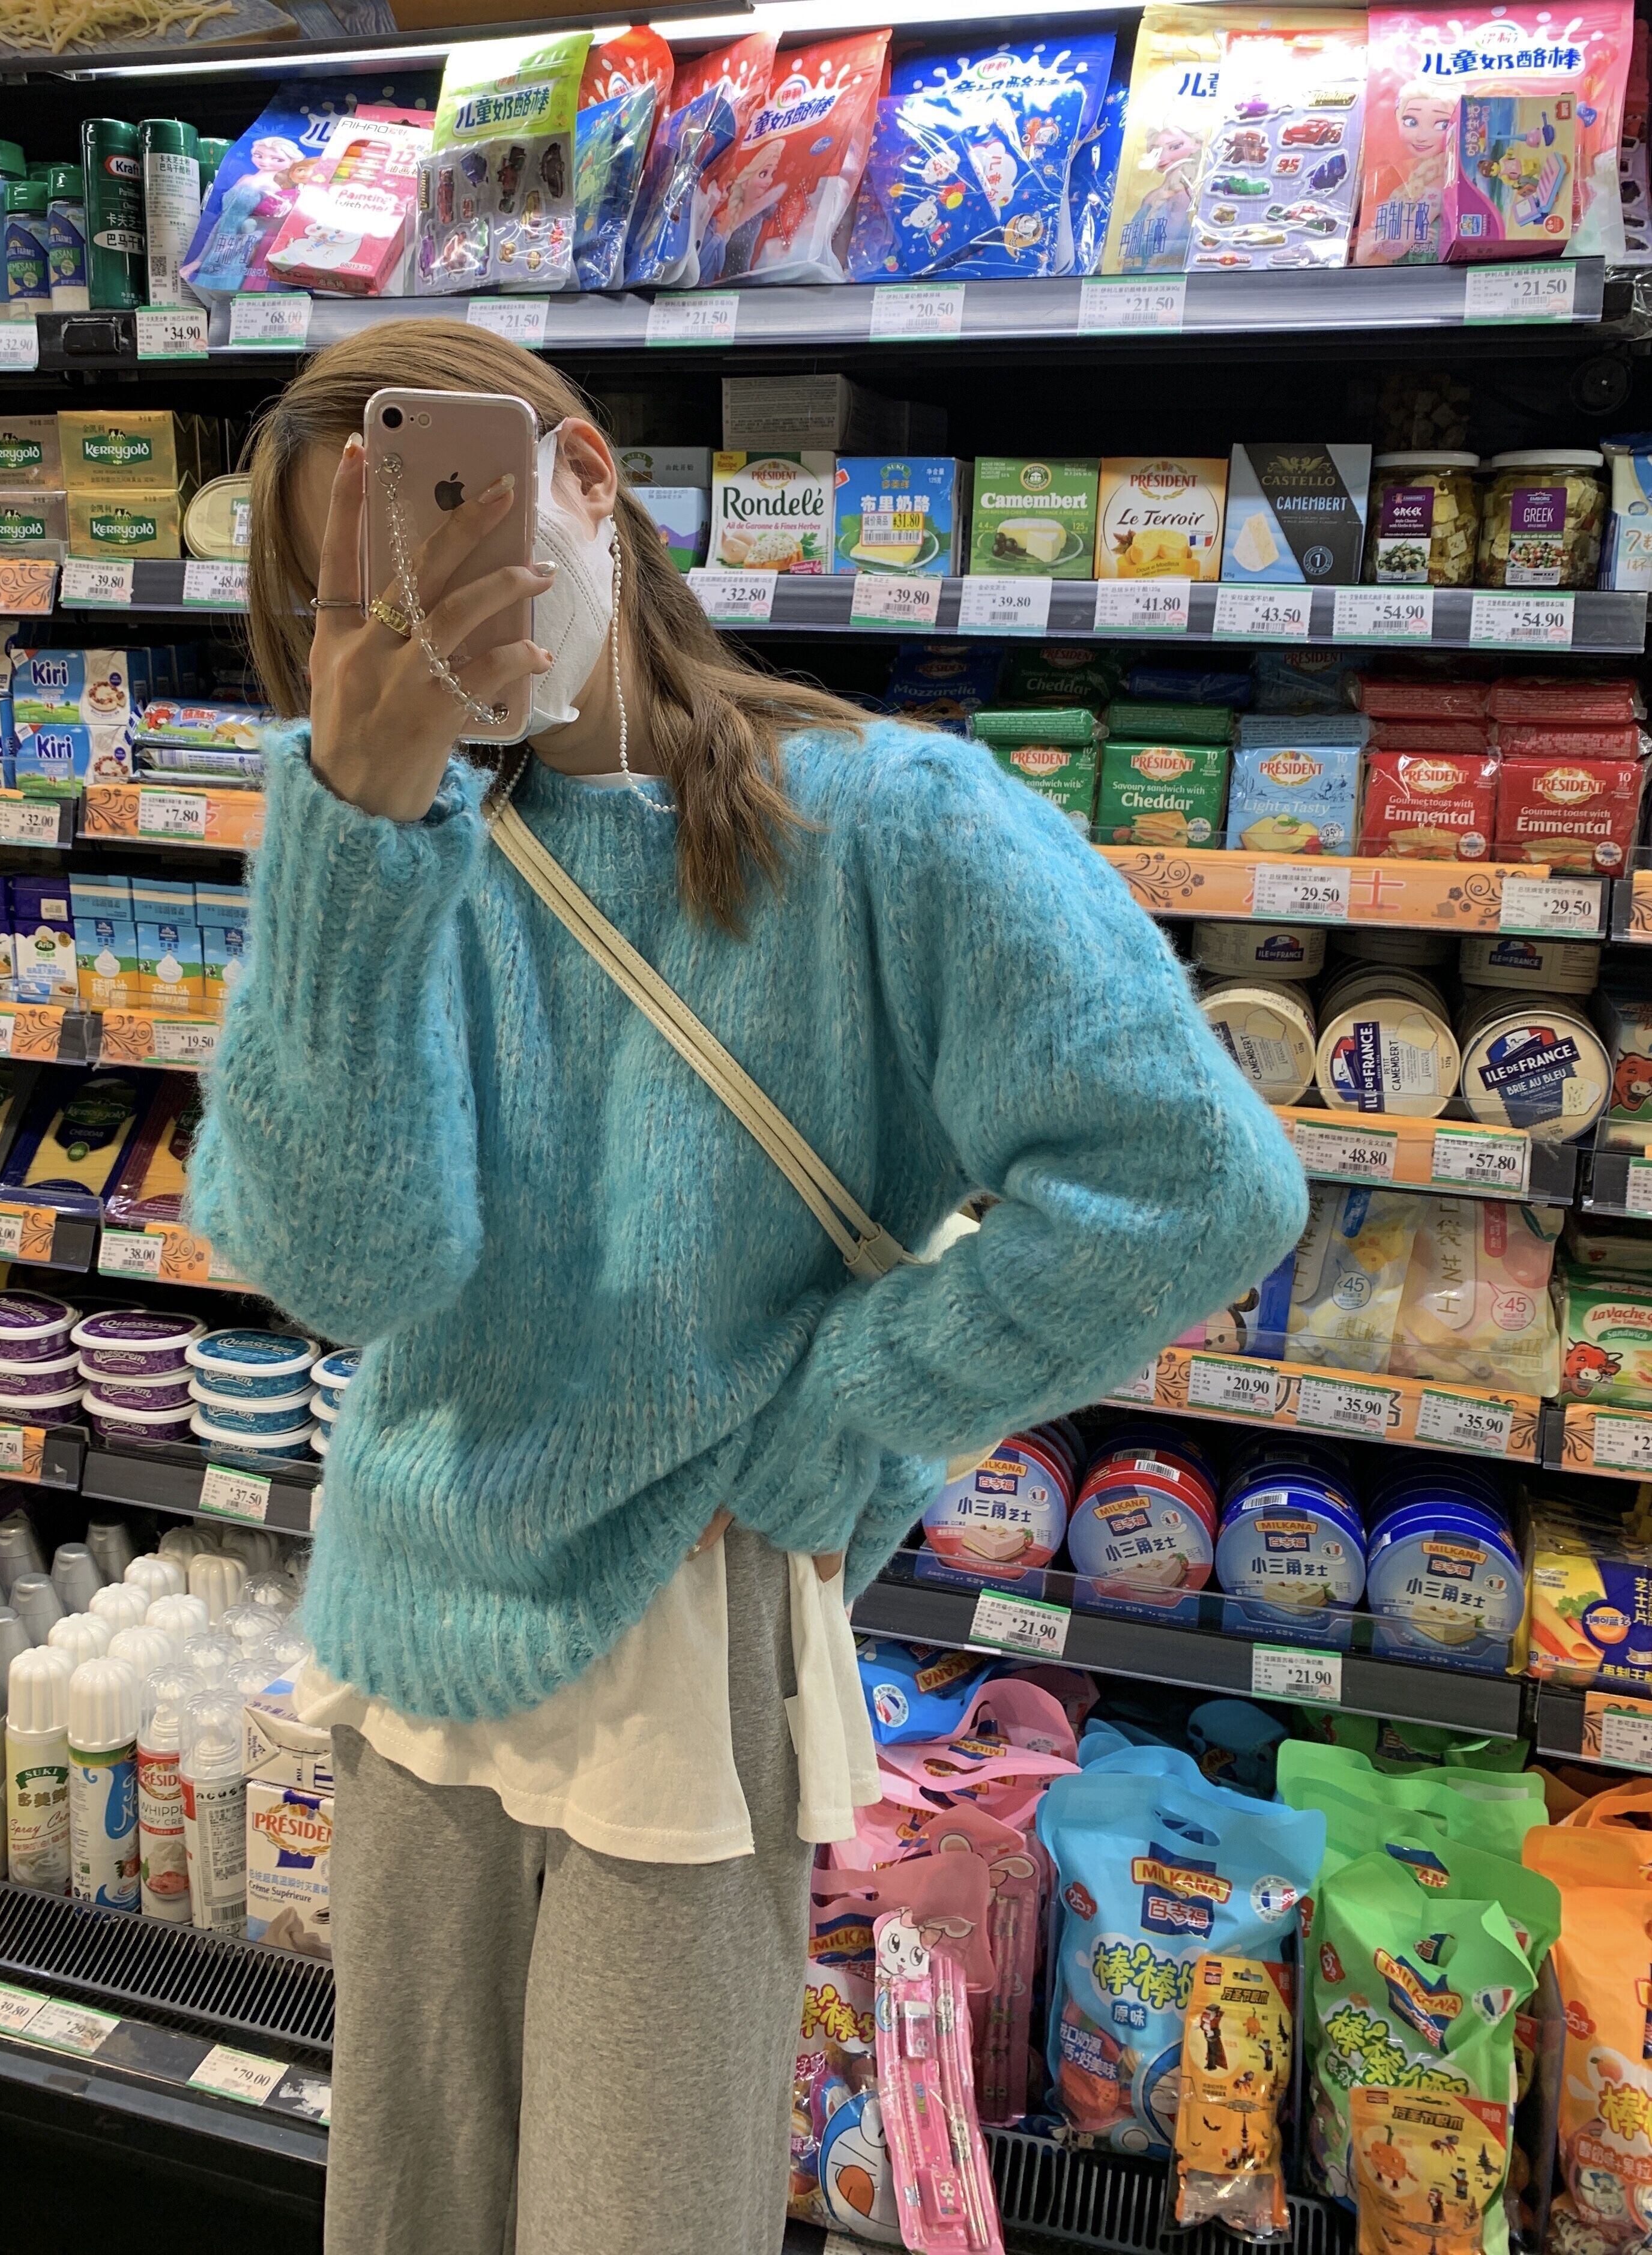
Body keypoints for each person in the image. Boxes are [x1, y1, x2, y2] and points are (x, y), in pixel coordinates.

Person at [188, 316, 1308, 2255]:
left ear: (585, 480)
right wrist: (351, 841)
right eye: (348, 593)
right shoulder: (389, 852)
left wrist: (855, 1406)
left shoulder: (896, 825)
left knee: (640, 2216)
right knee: (402, 2207)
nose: (415, 614)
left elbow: (1198, 1182)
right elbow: (345, 1272)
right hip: (410, 1613)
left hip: (686, 1646)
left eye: (442, 527)